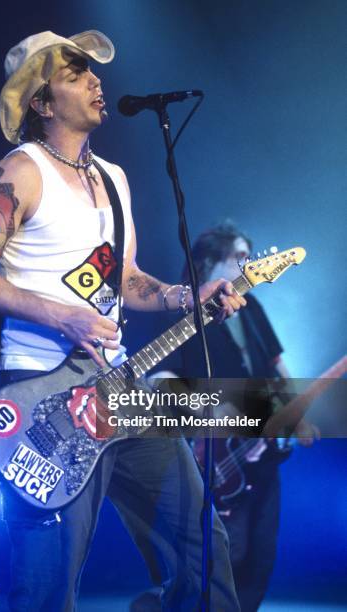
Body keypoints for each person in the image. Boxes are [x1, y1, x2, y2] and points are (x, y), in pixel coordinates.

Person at [0, 30, 247, 611]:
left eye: (94, 71)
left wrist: (189, 295)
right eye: (75, 73)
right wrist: (63, 316)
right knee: (46, 588)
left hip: (119, 387)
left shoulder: (114, 177)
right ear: (41, 101)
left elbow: (127, 279)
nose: (95, 81)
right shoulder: (18, 172)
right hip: (43, 402)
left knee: (203, 546)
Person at [177, 222, 317, 612]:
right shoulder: (188, 315)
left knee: (262, 548)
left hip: (263, 445)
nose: (249, 264)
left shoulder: (252, 307)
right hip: (216, 450)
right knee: (225, 549)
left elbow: (276, 364)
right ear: (210, 264)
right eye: (239, 257)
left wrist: (298, 415)